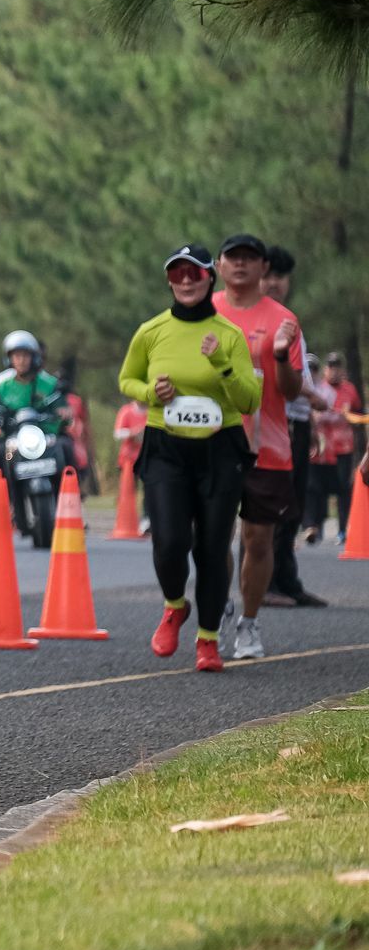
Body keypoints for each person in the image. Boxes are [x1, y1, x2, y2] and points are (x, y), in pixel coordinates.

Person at [118, 244, 258, 672]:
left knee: (212, 548)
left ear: (209, 277)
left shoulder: (228, 335)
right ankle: (175, 605)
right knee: (169, 541)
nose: (185, 281)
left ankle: (208, 640)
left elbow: (249, 400)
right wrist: (150, 393)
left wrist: (222, 364)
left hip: (220, 449)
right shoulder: (151, 330)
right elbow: (127, 379)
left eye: (193, 273)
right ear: (169, 280)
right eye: (176, 273)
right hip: (166, 446)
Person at [212, 233, 304, 659]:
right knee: (213, 536)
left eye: (250, 258)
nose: (241, 264)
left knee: (258, 538)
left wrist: (281, 356)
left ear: (264, 268)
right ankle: (220, 606)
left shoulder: (283, 319)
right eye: (233, 258)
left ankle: (248, 623)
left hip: (266, 445)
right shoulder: (203, 311)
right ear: (219, 265)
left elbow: (291, 391)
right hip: (213, 442)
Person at [259, 246, 326, 608]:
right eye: (268, 275)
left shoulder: (289, 320)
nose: (274, 283)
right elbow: (274, 377)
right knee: (269, 505)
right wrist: (312, 397)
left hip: (297, 421)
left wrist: (310, 418)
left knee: (293, 505)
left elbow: (301, 375)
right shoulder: (256, 320)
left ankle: (288, 581)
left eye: (281, 277)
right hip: (272, 423)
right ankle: (263, 583)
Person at [0, 331, 72, 468]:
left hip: (45, 435)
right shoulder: (1, 386)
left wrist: (64, 411)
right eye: (16, 356)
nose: (21, 360)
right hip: (13, 437)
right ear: (9, 359)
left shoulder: (50, 384)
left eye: (25, 355)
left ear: (34, 357)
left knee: (66, 447)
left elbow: (60, 404)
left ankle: (71, 480)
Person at [309, 353, 359, 545]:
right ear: (325, 370)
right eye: (331, 366)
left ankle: (343, 530)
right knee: (318, 488)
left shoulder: (350, 389)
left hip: (344, 446)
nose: (335, 370)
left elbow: (358, 411)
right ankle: (316, 528)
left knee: (343, 487)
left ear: (343, 370)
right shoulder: (319, 389)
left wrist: (350, 417)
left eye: (338, 366)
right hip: (323, 449)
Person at [114, 397, 148, 530]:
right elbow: (118, 433)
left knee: (148, 489)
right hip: (128, 459)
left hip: (147, 457)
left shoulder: (152, 412)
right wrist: (133, 432)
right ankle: (126, 519)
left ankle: (147, 518)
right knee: (127, 490)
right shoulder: (127, 411)